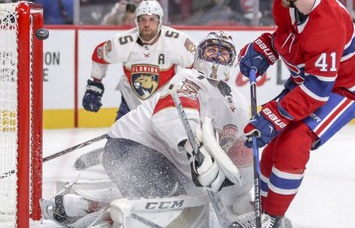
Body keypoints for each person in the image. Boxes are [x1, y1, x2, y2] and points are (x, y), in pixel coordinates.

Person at [40, 31, 255, 228]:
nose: (216, 57)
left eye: (223, 53)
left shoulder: (237, 102)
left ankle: (76, 205)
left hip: (168, 162)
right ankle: (103, 220)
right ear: (199, 54)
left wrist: (241, 195)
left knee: (188, 201)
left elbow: (242, 151)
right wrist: (195, 150)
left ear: (232, 60)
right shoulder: (188, 79)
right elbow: (170, 114)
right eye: (211, 50)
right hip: (129, 148)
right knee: (167, 206)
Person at [231, 0, 355, 228]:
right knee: (269, 142)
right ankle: (261, 210)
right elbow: (289, 37)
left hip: (343, 87)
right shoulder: (286, 3)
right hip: (308, 79)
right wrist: (269, 47)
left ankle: (272, 218)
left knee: (294, 141)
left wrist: (277, 114)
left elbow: (318, 90)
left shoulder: (327, 24)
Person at [77, 0, 197, 170]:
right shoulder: (124, 42)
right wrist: (94, 86)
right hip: (130, 105)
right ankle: (116, 158)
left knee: (169, 149)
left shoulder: (176, 42)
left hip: (162, 106)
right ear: (137, 21)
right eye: (143, 20)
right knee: (117, 153)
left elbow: (197, 65)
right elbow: (99, 55)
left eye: (152, 19)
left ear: (160, 21)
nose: (147, 24)